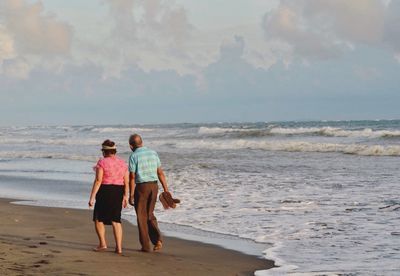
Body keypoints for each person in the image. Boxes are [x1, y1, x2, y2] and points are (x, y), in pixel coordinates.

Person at [128, 134, 169, 252]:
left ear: (131, 146)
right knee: (150, 213)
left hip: (142, 187)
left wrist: (131, 194)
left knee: (141, 216)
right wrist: (166, 189)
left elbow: (132, 176)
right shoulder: (153, 153)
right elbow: (160, 172)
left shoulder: (133, 156)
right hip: (154, 186)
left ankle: (146, 246)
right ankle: (157, 240)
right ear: (142, 142)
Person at [89, 139, 129, 254]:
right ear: (114, 151)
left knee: (98, 218)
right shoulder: (122, 163)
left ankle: (103, 244)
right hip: (118, 191)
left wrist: (92, 197)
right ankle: (119, 248)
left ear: (104, 152)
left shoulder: (102, 162)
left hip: (105, 191)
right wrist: (125, 196)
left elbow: (98, 181)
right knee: (116, 220)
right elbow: (126, 181)